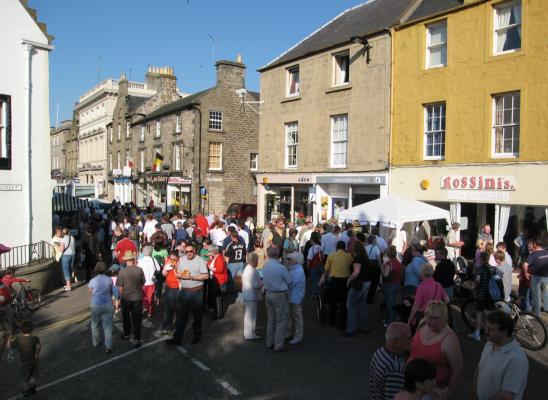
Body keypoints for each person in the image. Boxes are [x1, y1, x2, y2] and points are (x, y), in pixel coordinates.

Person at [408, 301, 463, 400]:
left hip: (434, 391)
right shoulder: (422, 324)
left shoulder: (450, 340)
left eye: (436, 318)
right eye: (429, 317)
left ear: (444, 317)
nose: (432, 321)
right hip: (414, 384)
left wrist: (447, 397)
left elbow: (457, 371)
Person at [474, 310, 529, 400]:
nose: (486, 331)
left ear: (505, 332)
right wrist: (474, 395)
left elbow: (506, 396)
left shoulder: (517, 360)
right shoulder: (489, 344)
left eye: (491, 329)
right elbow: (478, 370)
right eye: (486, 327)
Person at [165, 244, 209, 345]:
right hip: (184, 291)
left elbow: (206, 276)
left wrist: (192, 277)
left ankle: (197, 336)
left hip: (196, 291)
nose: (189, 253)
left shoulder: (200, 260)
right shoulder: (182, 260)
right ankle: (177, 338)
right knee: (181, 316)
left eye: (191, 251)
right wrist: (178, 274)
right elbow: (179, 273)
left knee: (196, 316)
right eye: (187, 251)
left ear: (194, 251)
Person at [368, 322, 412, 400]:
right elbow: (393, 397)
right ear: (397, 342)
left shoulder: (379, 352)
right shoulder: (395, 366)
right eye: (409, 338)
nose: (412, 339)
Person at [262, 247, 292, 352]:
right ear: (277, 255)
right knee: (281, 320)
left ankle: (269, 342)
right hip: (279, 295)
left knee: (271, 319)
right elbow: (289, 281)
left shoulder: (265, 265)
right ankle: (278, 345)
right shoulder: (281, 267)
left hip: (268, 294)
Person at [469, 252, 503, 342]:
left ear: (481, 259)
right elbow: (501, 275)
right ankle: (493, 331)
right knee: (490, 313)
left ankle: (477, 334)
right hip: (490, 294)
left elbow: (477, 281)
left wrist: (473, 287)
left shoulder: (480, 269)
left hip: (481, 294)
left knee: (479, 313)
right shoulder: (493, 268)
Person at [319, 240, 352, 330]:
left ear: (337, 247)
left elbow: (326, 269)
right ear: (344, 247)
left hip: (334, 280)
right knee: (344, 302)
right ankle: (342, 324)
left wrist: (323, 278)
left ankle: (332, 320)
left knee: (333, 300)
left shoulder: (331, 255)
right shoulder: (349, 256)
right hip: (345, 281)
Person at [116, 250, 145, 348]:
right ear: (133, 259)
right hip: (137, 297)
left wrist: (121, 296)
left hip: (126, 298)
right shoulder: (139, 270)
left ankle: (126, 334)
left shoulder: (122, 272)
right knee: (137, 319)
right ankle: (137, 339)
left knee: (126, 317)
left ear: (125, 260)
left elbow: (120, 288)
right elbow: (143, 283)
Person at [344, 241, 372, 337]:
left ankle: (351, 329)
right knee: (362, 304)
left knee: (350, 305)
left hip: (359, 284)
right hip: (367, 282)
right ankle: (365, 327)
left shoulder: (358, 258)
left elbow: (356, 272)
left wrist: (349, 280)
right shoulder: (364, 257)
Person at [88, 262, 114, 353]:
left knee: (94, 325)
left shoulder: (92, 281)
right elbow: (111, 291)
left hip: (96, 304)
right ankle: (108, 346)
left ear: (96, 270)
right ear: (105, 269)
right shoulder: (109, 279)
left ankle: (96, 342)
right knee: (107, 327)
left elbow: (91, 292)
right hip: (107, 304)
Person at [9, 320, 41, 397]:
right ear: (32, 329)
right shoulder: (35, 338)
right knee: (32, 375)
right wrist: (36, 353)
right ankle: (33, 389)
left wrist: (10, 338)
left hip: (25, 361)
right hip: (34, 360)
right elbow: (39, 346)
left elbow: (9, 346)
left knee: (24, 378)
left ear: (21, 330)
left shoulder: (18, 339)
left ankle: (26, 392)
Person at [523, 237, 548, 317]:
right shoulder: (546, 252)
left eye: (533, 243)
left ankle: (537, 314)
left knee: (536, 295)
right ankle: (547, 308)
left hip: (536, 278)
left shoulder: (533, 255)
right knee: (546, 292)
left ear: (535, 245)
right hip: (546, 277)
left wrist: (526, 273)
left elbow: (525, 264)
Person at [285, 251, 305, 345]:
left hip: (295, 297)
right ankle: (289, 333)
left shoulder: (298, 271)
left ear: (296, 260)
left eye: (290, 259)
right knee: (291, 316)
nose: (288, 260)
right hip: (292, 297)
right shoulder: (294, 269)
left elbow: (291, 283)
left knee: (297, 317)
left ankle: (298, 336)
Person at [242, 252, 262, 340]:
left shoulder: (249, 268)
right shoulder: (250, 270)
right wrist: (262, 283)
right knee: (250, 315)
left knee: (251, 314)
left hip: (250, 295)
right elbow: (255, 285)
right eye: (257, 260)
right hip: (251, 295)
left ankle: (251, 331)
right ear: (253, 261)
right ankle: (249, 333)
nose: (258, 262)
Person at [382, 245, 404, 325]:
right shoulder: (398, 263)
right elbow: (401, 274)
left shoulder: (388, 263)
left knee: (389, 304)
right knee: (392, 303)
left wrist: (382, 267)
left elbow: (385, 275)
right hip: (397, 285)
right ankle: (390, 319)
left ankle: (390, 321)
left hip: (389, 285)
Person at [160, 251, 180, 335]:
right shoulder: (168, 262)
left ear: (177, 258)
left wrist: (176, 267)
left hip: (179, 288)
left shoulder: (182, 262)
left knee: (178, 309)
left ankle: (178, 328)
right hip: (170, 288)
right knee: (168, 309)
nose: (171, 260)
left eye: (173, 259)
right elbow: (163, 274)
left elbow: (186, 274)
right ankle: (165, 328)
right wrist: (166, 268)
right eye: (170, 258)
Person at [138, 246, 160, 318]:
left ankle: (144, 308)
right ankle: (150, 312)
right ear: (151, 252)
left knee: (143, 297)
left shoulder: (140, 261)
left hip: (142, 282)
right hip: (151, 282)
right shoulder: (154, 260)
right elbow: (159, 269)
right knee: (150, 298)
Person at [207, 244, 229, 320]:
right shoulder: (215, 257)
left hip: (219, 280)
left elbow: (219, 270)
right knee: (217, 298)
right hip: (215, 279)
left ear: (213, 251)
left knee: (218, 298)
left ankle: (219, 314)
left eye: (210, 251)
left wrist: (211, 268)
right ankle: (218, 313)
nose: (208, 252)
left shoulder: (219, 258)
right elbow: (210, 263)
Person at [366, 234, 382, 304]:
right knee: (374, 283)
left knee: (368, 282)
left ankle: (366, 296)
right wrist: (380, 266)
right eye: (375, 239)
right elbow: (378, 259)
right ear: (373, 240)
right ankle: (370, 298)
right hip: (375, 268)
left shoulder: (365, 247)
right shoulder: (376, 248)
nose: (376, 241)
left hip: (367, 266)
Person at [307, 232, 324, 298]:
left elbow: (309, 260)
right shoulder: (320, 247)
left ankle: (314, 294)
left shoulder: (312, 249)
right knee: (320, 280)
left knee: (314, 281)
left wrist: (307, 267)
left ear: (312, 240)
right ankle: (320, 293)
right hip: (320, 265)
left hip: (314, 267)